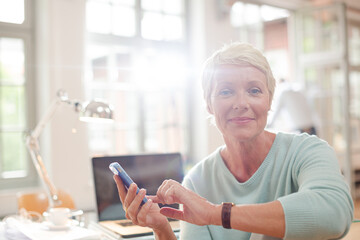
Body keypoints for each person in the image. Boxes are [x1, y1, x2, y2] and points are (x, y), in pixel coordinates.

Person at [113, 42, 354, 240]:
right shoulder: (197, 180)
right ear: (209, 104)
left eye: (254, 90)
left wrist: (215, 214)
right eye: (226, 91)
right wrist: (162, 229)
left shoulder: (308, 151)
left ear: (269, 100)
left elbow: (334, 214)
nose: (241, 103)